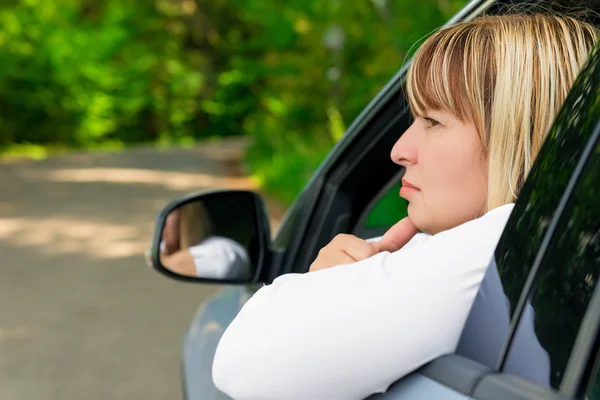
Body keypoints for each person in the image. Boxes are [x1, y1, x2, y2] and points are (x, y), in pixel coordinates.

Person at [212, 13, 598, 400]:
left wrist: (324, 285)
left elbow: (239, 366)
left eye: (433, 122)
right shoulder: (530, 247)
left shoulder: (501, 245)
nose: (399, 151)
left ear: (521, 133)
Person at [159, 202, 252, 280]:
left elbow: (224, 263)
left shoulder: (222, 249)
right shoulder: (163, 247)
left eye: (167, 214)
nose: (160, 223)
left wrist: (161, 259)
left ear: (187, 215)